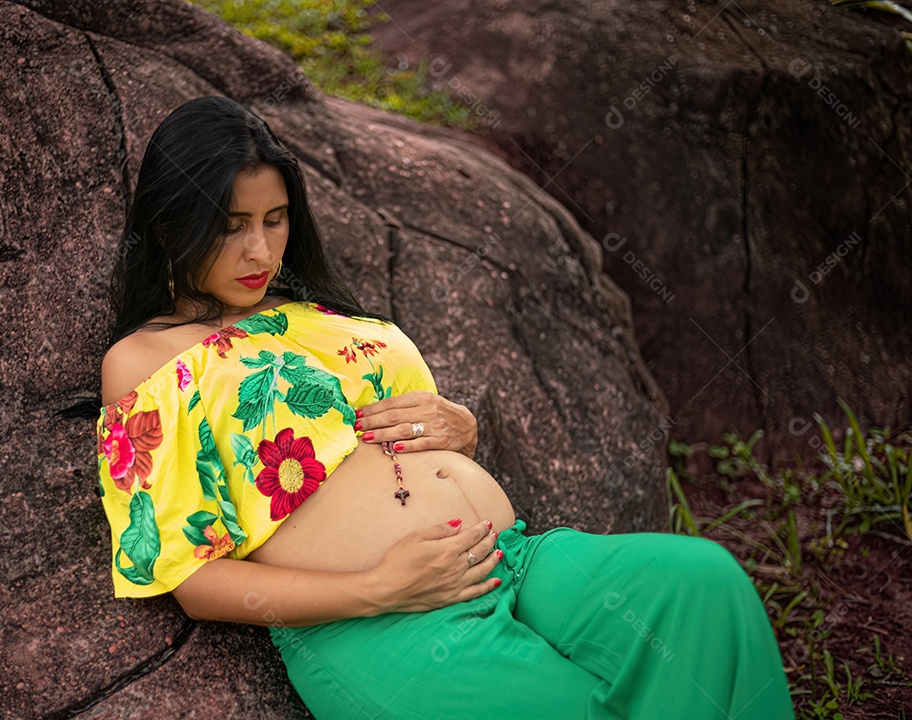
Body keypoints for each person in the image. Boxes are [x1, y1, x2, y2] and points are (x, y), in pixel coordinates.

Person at [93, 95, 795, 719]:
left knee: (705, 589)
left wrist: (463, 430)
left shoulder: (317, 315)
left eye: (275, 220)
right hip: (381, 624)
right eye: (230, 224)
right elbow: (191, 579)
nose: (260, 249)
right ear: (168, 226)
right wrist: (376, 589)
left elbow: (409, 432)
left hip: (512, 560)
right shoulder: (146, 363)